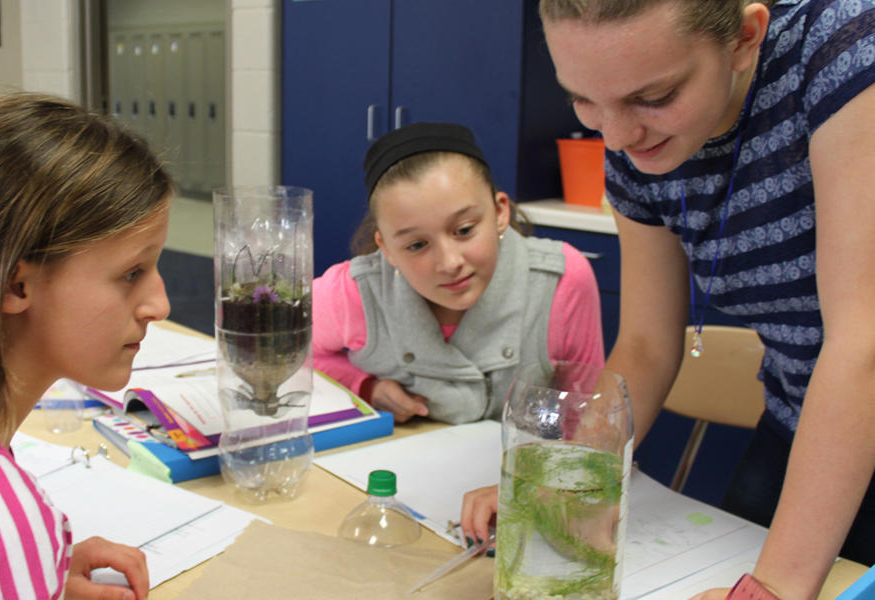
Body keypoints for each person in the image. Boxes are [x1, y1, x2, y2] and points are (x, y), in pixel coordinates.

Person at [462, 0, 875, 597]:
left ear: (744, 38)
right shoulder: (629, 145)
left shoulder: (841, 52)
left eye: (652, 98)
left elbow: (862, 342)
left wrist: (775, 588)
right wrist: (568, 478)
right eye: (582, 98)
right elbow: (648, 344)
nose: (618, 135)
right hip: (800, 421)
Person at [0, 93, 174, 599]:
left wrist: (30, 574)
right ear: (15, 286)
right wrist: (7, 558)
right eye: (131, 273)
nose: (160, 304)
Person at [313, 122, 604, 424]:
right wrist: (365, 386)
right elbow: (284, 357)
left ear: (500, 212)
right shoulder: (351, 293)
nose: (450, 262)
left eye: (464, 230)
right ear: (385, 248)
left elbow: (585, 415)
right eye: (416, 245)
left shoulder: (561, 280)